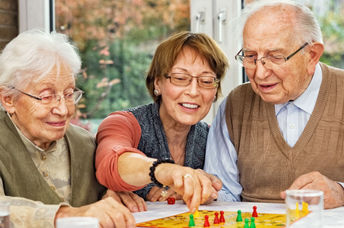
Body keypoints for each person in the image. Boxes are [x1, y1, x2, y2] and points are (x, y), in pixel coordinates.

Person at [204, 0, 344, 209]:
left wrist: (341, 193)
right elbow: (223, 193)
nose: (260, 73)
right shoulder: (235, 104)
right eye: (250, 56)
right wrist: (207, 192)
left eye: (276, 57)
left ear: (312, 56)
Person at [0, 30, 137, 228]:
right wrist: (69, 215)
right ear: (9, 99)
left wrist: (113, 198)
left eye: (69, 93)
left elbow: (104, 199)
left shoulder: (85, 144)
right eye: (46, 96)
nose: (63, 110)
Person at [95, 31, 227, 209]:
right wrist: (166, 172)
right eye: (180, 78)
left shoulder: (213, 138)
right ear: (157, 83)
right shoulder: (122, 123)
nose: (194, 91)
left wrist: (207, 191)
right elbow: (109, 164)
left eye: (206, 80)